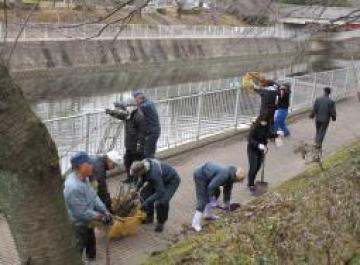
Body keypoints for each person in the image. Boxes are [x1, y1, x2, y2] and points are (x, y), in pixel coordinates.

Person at [64, 152, 113, 262]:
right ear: (80, 166)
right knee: (78, 251)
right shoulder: (73, 187)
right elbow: (80, 213)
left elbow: (93, 196)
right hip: (78, 225)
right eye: (89, 164)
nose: (92, 166)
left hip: (87, 221)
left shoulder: (84, 178)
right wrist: (100, 217)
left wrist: (105, 211)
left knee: (91, 247)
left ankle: (91, 260)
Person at [191, 162, 245, 232]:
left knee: (216, 192)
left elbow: (227, 192)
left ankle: (208, 214)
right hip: (201, 175)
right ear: (236, 177)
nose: (236, 182)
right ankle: (195, 223)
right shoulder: (225, 174)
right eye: (237, 181)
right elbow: (211, 187)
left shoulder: (230, 177)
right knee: (202, 199)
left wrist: (227, 205)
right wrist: (212, 200)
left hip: (209, 177)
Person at [130, 159, 180, 232]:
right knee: (144, 193)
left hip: (171, 181)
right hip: (160, 179)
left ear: (141, 171)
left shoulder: (154, 174)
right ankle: (149, 217)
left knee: (161, 202)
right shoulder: (143, 165)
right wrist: (136, 189)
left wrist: (146, 203)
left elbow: (160, 192)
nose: (136, 176)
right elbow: (142, 178)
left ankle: (161, 223)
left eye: (137, 174)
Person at [106, 99, 146, 183]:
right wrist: (110, 112)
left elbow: (142, 133)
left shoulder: (139, 117)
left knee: (136, 164)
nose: (127, 108)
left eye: (128, 107)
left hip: (136, 146)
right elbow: (120, 115)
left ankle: (136, 180)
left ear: (134, 107)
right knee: (127, 161)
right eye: (126, 107)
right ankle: (130, 178)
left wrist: (139, 145)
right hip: (129, 145)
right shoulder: (128, 115)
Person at [247, 115, 279, 194]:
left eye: (266, 121)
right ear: (259, 120)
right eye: (263, 121)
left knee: (258, 167)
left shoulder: (267, 127)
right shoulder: (254, 127)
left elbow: (269, 134)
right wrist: (258, 145)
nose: (264, 123)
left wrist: (277, 134)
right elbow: (249, 139)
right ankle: (250, 184)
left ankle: (252, 181)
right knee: (253, 167)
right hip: (253, 149)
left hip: (261, 149)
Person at [133, 91, 161, 158]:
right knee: (151, 151)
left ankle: (150, 166)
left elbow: (135, 115)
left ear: (139, 98)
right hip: (155, 130)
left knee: (147, 153)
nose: (135, 102)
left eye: (136, 100)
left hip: (151, 132)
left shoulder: (144, 106)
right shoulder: (150, 102)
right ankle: (153, 164)